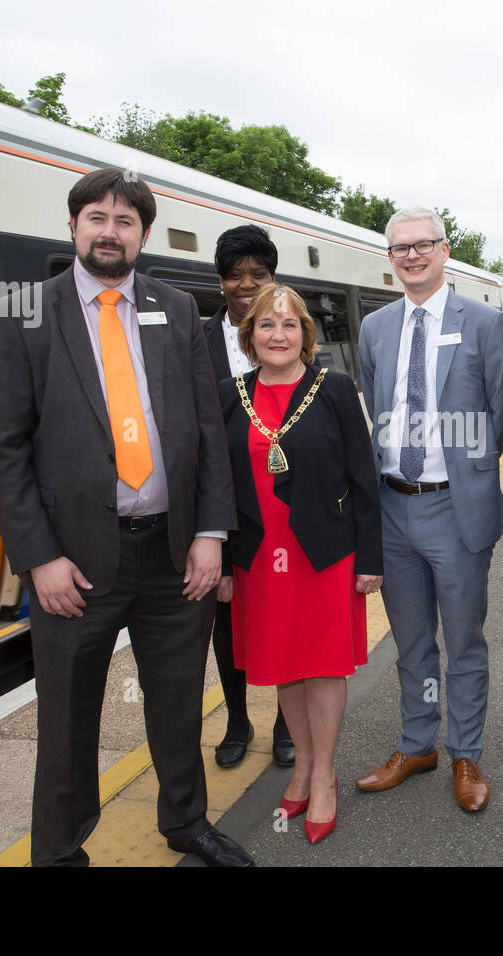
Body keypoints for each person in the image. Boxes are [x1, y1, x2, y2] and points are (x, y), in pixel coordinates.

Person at [0, 168, 252, 866]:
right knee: (67, 720)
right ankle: (59, 851)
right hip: (73, 564)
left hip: (171, 556)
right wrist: (38, 557)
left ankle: (186, 824)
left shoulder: (177, 309)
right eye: (97, 218)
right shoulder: (27, 313)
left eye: (125, 221)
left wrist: (209, 534)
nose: (110, 231)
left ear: (143, 233)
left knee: (176, 704)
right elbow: (5, 447)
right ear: (74, 226)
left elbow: (206, 432)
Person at [356, 206, 503, 812]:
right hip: (393, 509)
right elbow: (379, 409)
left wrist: (468, 473)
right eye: (401, 248)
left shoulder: (483, 323)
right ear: (391, 257)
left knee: (464, 638)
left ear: (444, 249)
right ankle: (417, 742)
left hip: (455, 510)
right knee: (411, 640)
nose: (412, 256)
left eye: (422, 245)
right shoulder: (375, 328)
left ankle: (466, 753)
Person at [217, 284, 382, 844]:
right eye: (267, 325)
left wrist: (370, 556)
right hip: (258, 556)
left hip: (324, 553)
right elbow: (215, 483)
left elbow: (363, 476)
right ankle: (304, 768)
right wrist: (218, 559)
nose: (278, 335)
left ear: (304, 334)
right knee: (284, 663)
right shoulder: (230, 393)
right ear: (250, 334)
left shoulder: (332, 389)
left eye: (289, 325)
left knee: (323, 662)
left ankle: (325, 775)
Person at [201, 224, 294, 770]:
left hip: (280, 507)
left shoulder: (285, 339)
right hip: (219, 507)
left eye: (258, 274)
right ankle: (238, 718)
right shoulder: (195, 339)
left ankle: (288, 721)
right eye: (235, 275)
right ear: (219, 282)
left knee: (283, 614)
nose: (246, 283)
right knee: (226, 618)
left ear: (272, 279)